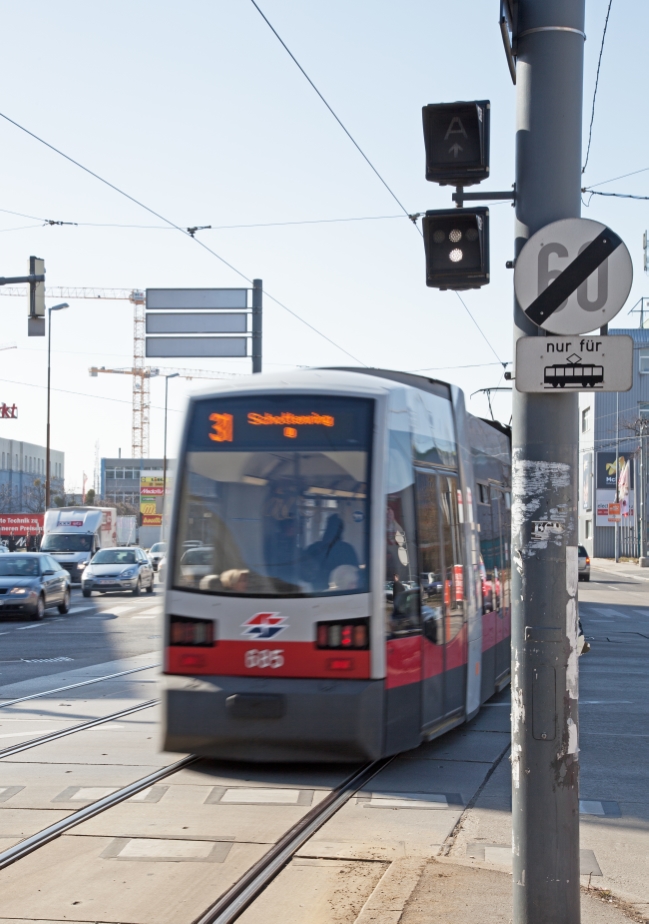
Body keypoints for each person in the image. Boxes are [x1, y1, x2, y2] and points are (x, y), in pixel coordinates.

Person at [303, 513, 359, 591]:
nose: (332, 531)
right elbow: (304, 572)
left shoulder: (347, 549)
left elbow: (354, 576)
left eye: (335, 528)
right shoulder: (314, 548)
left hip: (341, 593)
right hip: (316, 593)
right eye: (331, 528)